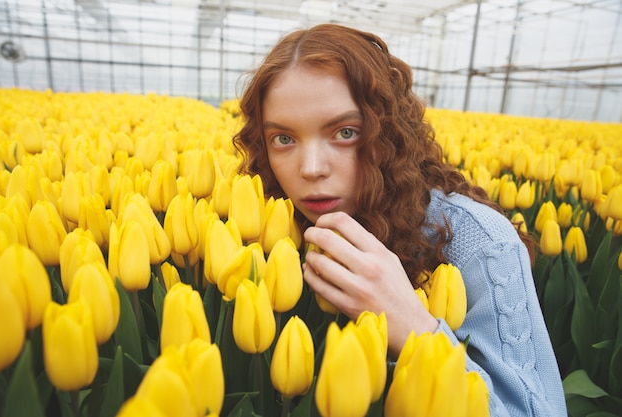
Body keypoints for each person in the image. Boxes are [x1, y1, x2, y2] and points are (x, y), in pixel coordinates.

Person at [233, 23, 567, 416]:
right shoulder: (273, 229)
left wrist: (413, 326)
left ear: (388, 131)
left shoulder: (478, 242)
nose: (310, 169)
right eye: (284, 139)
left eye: (345, 132)